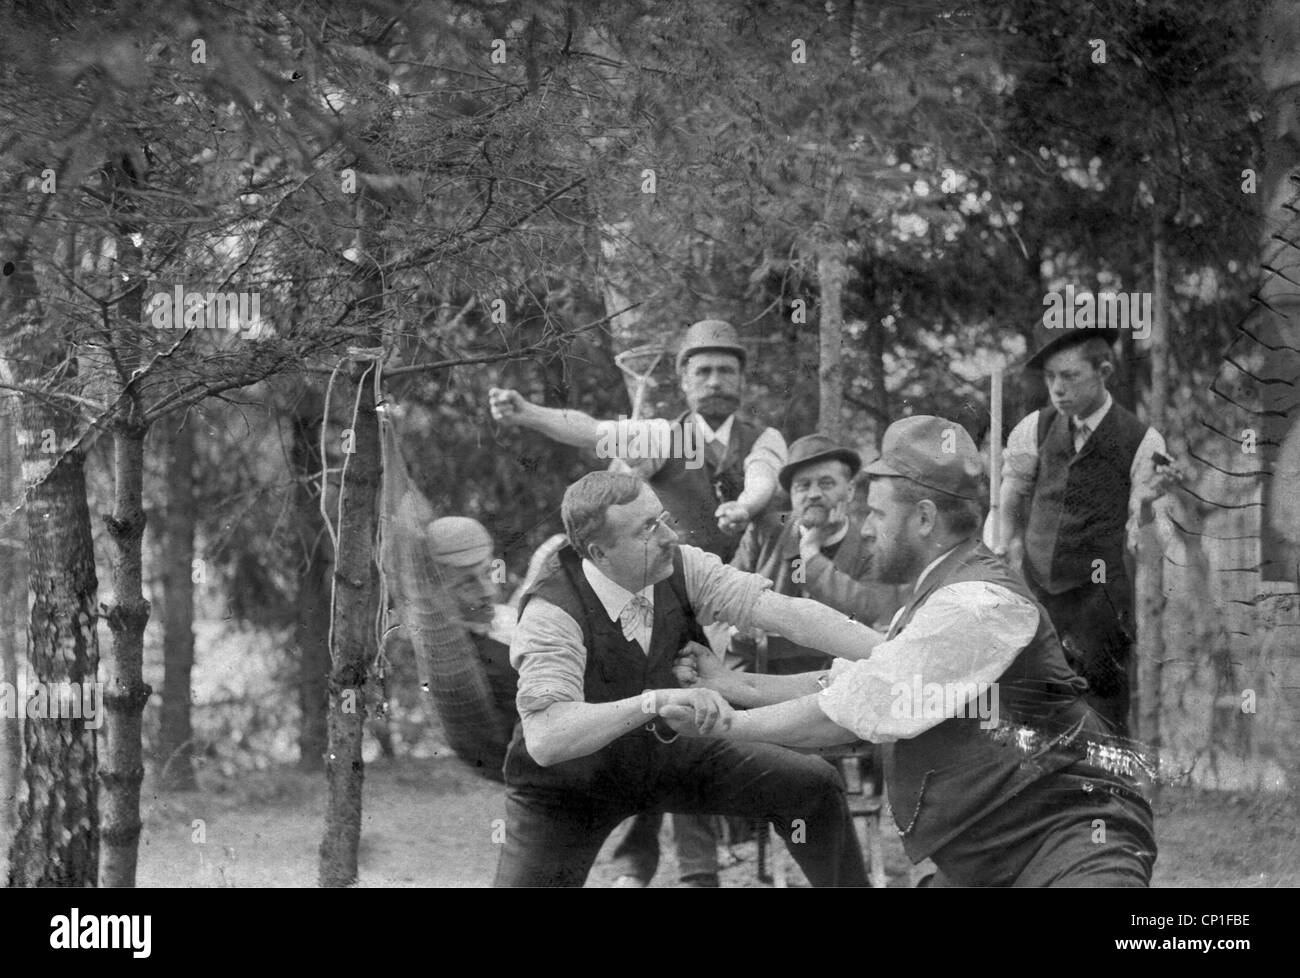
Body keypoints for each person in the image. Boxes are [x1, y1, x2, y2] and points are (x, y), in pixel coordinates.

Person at [667, 416, 1158, 887]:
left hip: (1070, 843)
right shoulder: (937, 592)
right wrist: (738, 685)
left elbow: (858, 707)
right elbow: (861, 678)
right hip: (988, 855)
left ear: (924, 518)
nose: (863, 529)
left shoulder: (978, 602)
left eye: (877, 513)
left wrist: (726, 725)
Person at [490, 318, 787, 885]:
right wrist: (529, 414)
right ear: (683, 378)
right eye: (704, 370)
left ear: (744, 379)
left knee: (719, 726)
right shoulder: (662, 437)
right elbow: (591, 430)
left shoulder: (763, 437)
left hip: (729, 601)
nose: (717, 380)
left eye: (728, 369)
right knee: (659, 716)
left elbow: (762, 477)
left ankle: (722, 858)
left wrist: (745, 508)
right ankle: (677, 870)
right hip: (656, 599)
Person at [493, 470, 878, 887]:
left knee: (813, 786)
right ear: (599, 554)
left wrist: (891, 652)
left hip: (668, 754)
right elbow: (547, 738)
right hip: (571, 785)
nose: (668, 537)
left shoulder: (680, 565)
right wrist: (653, 701)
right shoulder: (551, 611)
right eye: (646, 530)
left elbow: (783, 613)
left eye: (662, 519)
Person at [994, 328, 1175, 735]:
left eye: (1070, 376)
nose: (1057, 389)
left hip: (1101, 600)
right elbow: (1011, 497)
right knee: (1032, 705)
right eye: (1050, 377)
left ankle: (1111, 795)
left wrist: (1146, 505)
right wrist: (1003, 546)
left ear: (1104, 372)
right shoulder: (1035, 428)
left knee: (1103, 710)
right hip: (1038, 592)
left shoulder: (1143, 441)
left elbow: (1147, 536)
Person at [730, 432, 902, 675]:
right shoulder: (765, 531)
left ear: (850, 491)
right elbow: (725, 592)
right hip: (759, 672)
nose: (813, 494)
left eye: (826, 483)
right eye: (803, 486)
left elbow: (870, 611)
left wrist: (810, 555)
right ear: (791, 495)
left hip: (836, 681)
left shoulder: (871, 546)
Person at [428, 517, 519, 765]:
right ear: (434, 592)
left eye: (489, 573)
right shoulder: (461, 663)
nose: (488, 590)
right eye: (467, 583)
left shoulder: (508, 618)